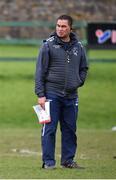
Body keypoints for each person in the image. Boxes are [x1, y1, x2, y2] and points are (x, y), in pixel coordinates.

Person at [35, 14, 88, 169]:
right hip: (51, 95)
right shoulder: (47, 45)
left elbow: (84, 68)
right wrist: (40, 95)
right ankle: (49, 163)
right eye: (58, 25)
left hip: (72, 96)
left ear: (71, 28)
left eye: (63, 26)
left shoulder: (79, 46)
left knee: (70, 130)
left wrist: (78, 81)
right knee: (49, 130)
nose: (60, 29)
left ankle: (67, 161)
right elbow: (39, 72)